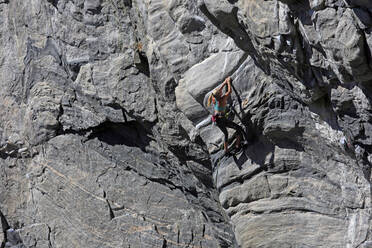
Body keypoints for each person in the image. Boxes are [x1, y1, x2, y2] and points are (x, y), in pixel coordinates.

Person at [207, 76, 245, 154]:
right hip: (222, 119)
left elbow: (218, 92)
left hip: (216, 120)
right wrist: (228, 82)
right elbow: (230, 91)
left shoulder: (215, 99)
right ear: (220, 94)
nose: (221, 91)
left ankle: (226, 151)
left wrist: (224, 83)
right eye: (220, 91)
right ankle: (238, 146)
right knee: (239, 129)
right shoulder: (222, 99)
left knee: (226, 134)